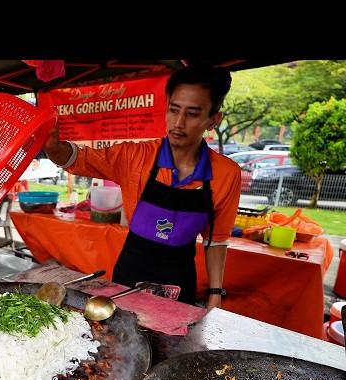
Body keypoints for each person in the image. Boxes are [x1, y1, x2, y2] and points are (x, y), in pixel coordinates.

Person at [44, 65, 241, 311]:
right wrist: (53, 149)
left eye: (192, 114)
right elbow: (80, 159)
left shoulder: (226, 173)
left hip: (180, 279)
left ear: (213, 120)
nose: (178, 123)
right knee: (122, 339)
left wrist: (215, 293)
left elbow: (216, 240)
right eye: (173, 110)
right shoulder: (135, 157)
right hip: (131, 271)